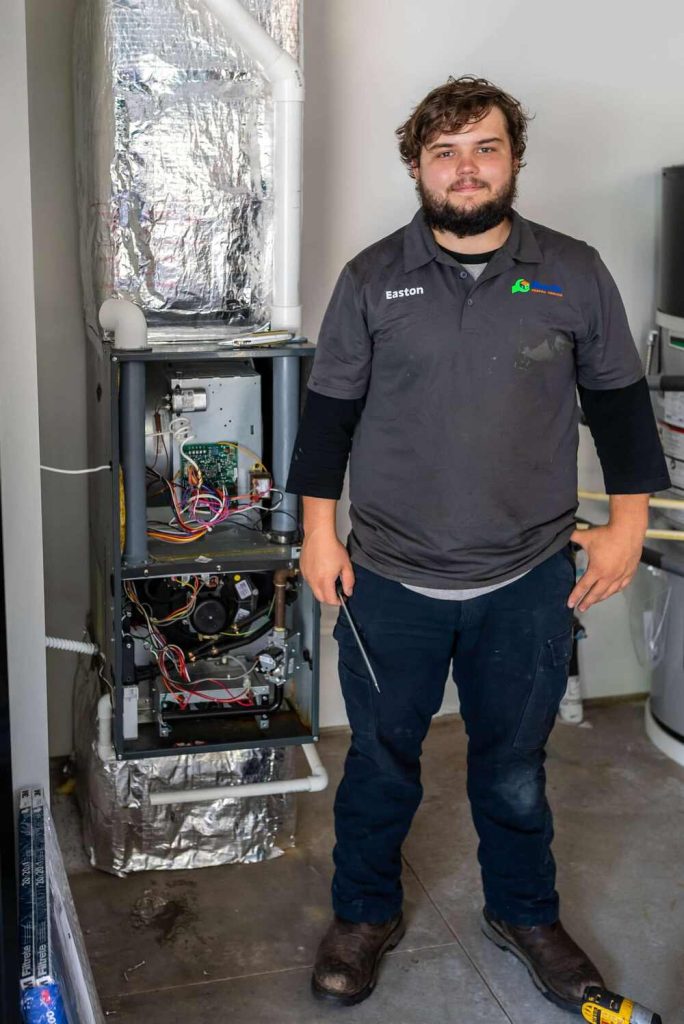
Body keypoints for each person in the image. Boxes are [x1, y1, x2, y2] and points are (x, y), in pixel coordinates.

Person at [286, 76, 670, 1013]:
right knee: (380, 764)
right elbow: (328, 414)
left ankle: (524, 913)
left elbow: (619, 403)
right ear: (418, 165)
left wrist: (625, 528)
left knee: (514, 765)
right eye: (445, 151)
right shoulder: (373, 277)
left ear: (513, 159)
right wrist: (317, 536)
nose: (466, 169)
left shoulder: (571, 271)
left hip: (528, 577)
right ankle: (365, 911)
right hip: (388, 578)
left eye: (485, 148)